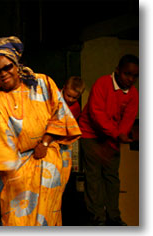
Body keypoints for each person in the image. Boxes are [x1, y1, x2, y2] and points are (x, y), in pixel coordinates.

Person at [0, 36, 82, 226]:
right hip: (16, 171)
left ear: (17, 64)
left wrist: (44, 142)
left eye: (7, 67)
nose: (3, 74)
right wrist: (16, 170)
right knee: (17, 220)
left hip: (47, 159)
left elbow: (60, 114)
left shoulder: (42, 83)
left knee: (47, 218)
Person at [78, 54, 139, 226]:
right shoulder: (102, 83)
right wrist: (115, 135)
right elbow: (96, 114)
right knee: (94, 176)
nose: (131, 79)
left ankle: (114, 216)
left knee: (112, 176)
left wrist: (115, 140)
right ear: (117, 71)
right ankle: (97, 217)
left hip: (111, 137)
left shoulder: (133, 94)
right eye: (127, 74)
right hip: (90, 133)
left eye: (135, 76)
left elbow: (128, 119)